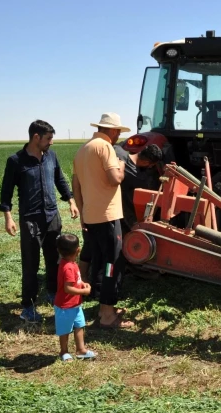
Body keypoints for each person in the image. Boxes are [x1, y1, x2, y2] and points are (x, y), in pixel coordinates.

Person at [0, 120, 79, 323]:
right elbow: (6, 192)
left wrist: (70, 200)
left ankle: (52, 292)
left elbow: (59, 179)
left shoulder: (51, 156)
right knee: (30, 263)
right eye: (48, 138)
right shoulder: (16, 161)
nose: (51, 142)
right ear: (36, 137)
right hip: (30, 219)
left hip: (52, 216)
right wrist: (8, 217)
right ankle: (28, 305)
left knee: (55, 259)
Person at [72, 112, 133, 328]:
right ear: (114, 131)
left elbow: (76, 186)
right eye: (118, 132)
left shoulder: (82, 150)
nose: (117, 136)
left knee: (101, 262)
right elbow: (115, 179)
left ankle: (103, 308)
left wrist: (82, 212)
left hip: (91, 217)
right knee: (112, 264)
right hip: (108, 217)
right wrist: (121, 166)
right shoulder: (106, 148)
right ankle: (107, 315)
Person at [55, 233, 96, 362]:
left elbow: (74, 281)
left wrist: (82, 283)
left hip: (75, 305)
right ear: (78, 250)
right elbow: (67, 288)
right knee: (65, 330)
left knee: (79, 325)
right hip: (65, 306)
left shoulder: (71, 263)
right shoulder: (68, 268)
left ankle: (81, 350)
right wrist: (83, 291)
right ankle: (64, 352)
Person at [114, 143, 165, 234]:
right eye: (151, 165)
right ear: (146, 162)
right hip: (124, 214)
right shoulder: (139, 178)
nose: (150, 167)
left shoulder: (118, 150)